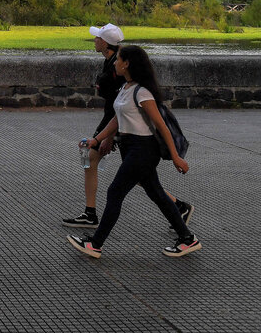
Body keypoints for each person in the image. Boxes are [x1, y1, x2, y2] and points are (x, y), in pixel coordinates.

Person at [67, 45, 201, 258]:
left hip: (143, 150)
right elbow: (115, 120)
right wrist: (97, 139)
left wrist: (176, 157)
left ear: (127, 63)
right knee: (156, 193)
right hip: (130, 148)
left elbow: (161, 126)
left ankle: (95, 244)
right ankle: (187, 239)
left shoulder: (143, 92)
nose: (116, 63)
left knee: (115, 192)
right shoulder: (126, 88)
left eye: (119, 59)